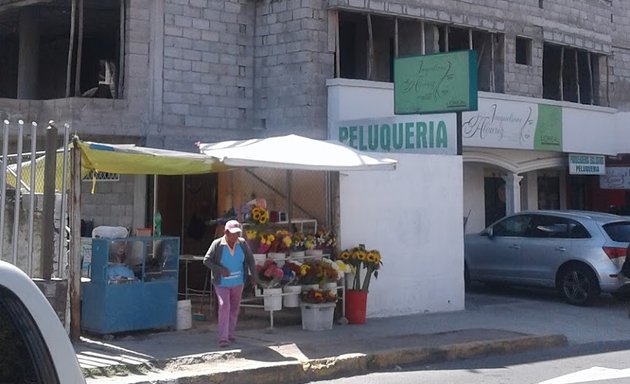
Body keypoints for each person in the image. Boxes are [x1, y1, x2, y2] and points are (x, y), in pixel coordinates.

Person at [203, 219, 257, 347]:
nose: (236, 236)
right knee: (224, 305)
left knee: (234, 307)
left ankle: (230, 334)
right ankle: (223, 337)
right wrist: (220, 270)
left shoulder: (242, 244)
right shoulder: (217, 244)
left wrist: (254, 276)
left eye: (238, 233)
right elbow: (206, 260)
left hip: (238, 281)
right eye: (233, 233)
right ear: (226, 232)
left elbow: (250, 260)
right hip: (221, 282)